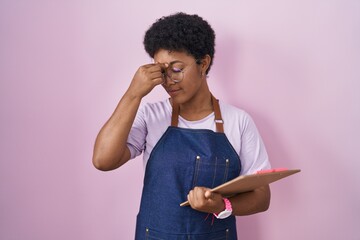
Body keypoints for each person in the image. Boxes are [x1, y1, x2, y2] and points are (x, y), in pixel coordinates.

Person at [93, 12, 271, 240]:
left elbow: (262, 196)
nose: (168, 81)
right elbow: (102, 160)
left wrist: (221, 205)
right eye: (161, 71)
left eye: (177, 69)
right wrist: (133, 93)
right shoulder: (151, 115)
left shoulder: (238, 121)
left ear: (203, 63)